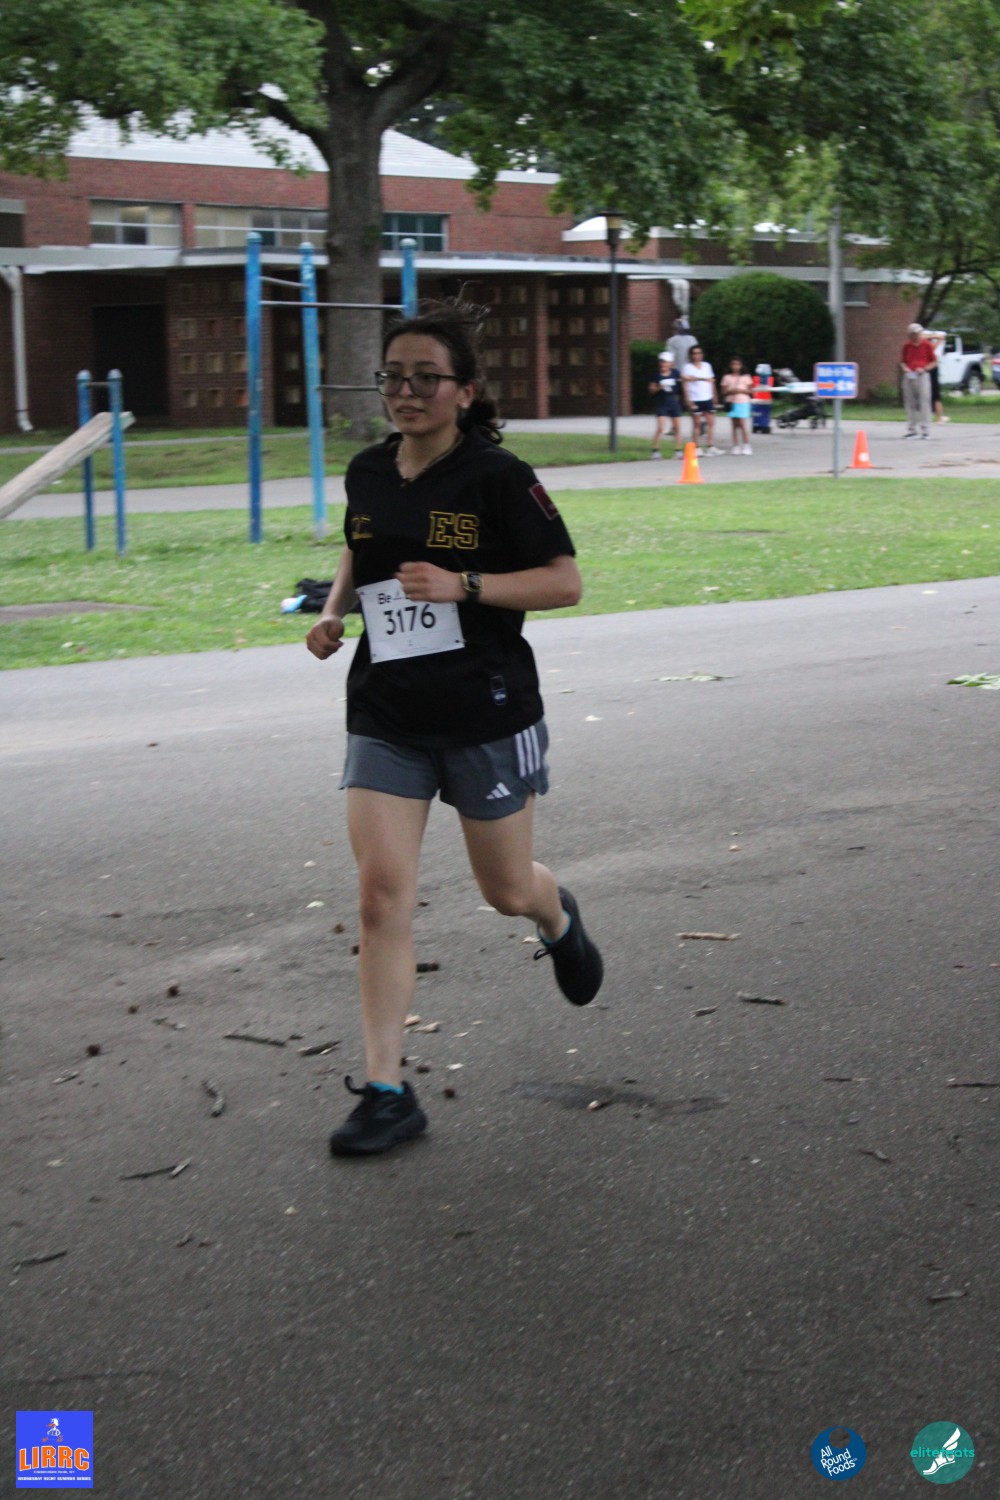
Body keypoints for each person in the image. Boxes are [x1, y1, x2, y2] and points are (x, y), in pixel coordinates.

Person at [305, 301, 604, 1158]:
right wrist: (333, 612)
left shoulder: (499, 477)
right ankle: (387, 1090)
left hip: (486, 711)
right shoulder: (368, 469)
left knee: (504, 890)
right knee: (380, 896)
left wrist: (465, 586)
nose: (406, 392)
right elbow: (361, 548)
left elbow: (564, 582)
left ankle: (555, 915)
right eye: (393, 376)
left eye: (426, 378)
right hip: (387, 711)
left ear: (465, 391)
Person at [681, 345, 722, 455]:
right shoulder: (687, 367)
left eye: (699, 353)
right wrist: (687, 398)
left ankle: (710, 446)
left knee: (711, 422)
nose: (697, 355)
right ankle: (696, 447)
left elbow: (711, 381)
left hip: (707, 397)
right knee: (697, 423)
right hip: (695, 398)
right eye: (695, 353)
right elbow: (685, 382)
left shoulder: (707, 366)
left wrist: (714, 394)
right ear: (691, 355)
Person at [900, 322, 936, 439]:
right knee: (910, 403)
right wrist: (905, 368)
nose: (917, 336)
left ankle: (925, 430)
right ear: (910, 335)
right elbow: (903, 362)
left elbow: (934, 362)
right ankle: (912, 430)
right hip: (909, 375)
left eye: (919, 333)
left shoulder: (927, 345)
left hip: (922, 375)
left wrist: (924, 368)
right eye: (914, 334)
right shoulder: (907, 346)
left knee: (924, 402)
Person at [648, 349, 684, 458]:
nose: (663, 364)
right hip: (662, 403)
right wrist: (659, 387)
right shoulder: (657, 375)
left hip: (673, 402)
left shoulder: (675, 373)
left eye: (665, 362)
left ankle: (678, 450)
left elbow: (682, 382)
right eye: (661, 362)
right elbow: (651, 390)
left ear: (670, 363)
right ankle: (655, 450)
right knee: (661, 427)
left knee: (677, 427)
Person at [720, 356, 753, 455]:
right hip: (731, 402)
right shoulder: (726, 377)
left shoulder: (746, 377)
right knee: (734, 425)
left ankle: (746, 444)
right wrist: (731, 391)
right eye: (733, 364)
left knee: (742, 423)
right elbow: (724, 391)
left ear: (741, 366)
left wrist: (741, 390)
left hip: (743, 401)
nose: (735, 366)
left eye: (738, 364)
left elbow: (750, 391)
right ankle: (736, 445)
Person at [926, 329, 949, 423]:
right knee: (933, 394)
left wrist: (935, 337)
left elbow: (941, 337)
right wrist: (935, 337)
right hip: (930, 367)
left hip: (931, 368)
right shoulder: (927, 345)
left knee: (934, 394)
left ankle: (938, 416)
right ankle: (937, 416)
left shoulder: (929, 346)